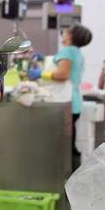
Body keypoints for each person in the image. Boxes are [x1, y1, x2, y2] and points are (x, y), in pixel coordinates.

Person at [29, 24, 92, 160]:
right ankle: (70, 172)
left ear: (70, 35)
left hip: (65, 101)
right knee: (69, 142)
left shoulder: (68, 51)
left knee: (64, 144)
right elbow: (63, 67)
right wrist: (45, 60)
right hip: (74, 101)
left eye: (66, 32)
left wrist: (40, 74)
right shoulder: (75, 52)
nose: (63, 34)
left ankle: (66, 174)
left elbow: (62, 74)